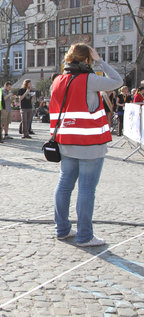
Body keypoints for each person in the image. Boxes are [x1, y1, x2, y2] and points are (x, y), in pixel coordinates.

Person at [50, 43, 122, 247]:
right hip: (89, 142)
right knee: (86, 189)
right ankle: (84, 236)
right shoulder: (89, 79)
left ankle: (62, 229)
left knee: (64, 185)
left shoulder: (57, 81)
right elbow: (118, 81)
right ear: (87, 59)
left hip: (65, 142)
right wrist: (100, 62)